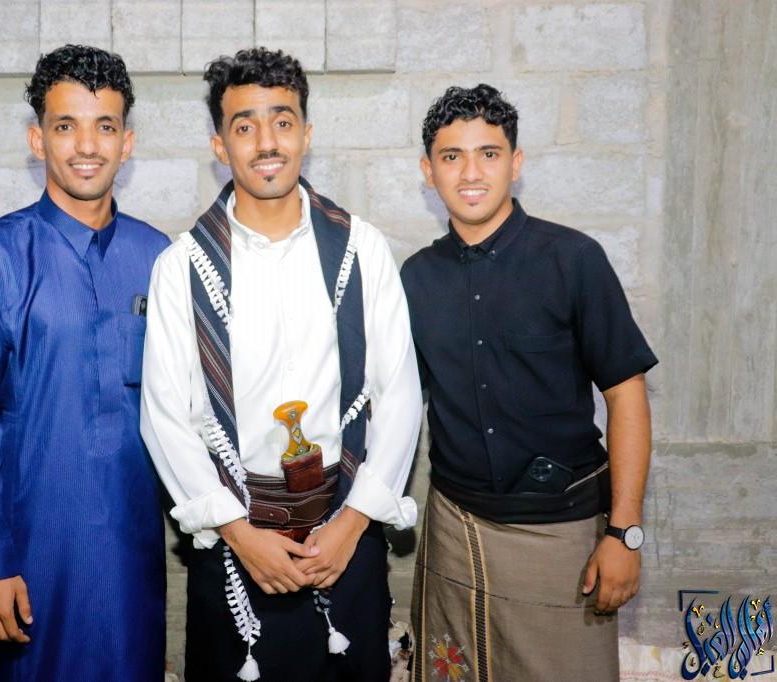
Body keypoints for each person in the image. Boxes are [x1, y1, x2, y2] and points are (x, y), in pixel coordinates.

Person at [140, 47, 422, 681]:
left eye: (283, 121)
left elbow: (400, 393)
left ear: (306, 134)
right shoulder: (181, 266)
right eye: (245, 126)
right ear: (220, 145)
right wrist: (239, 534)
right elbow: (164, 417)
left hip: (344, 535)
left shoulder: (361, 248)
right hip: (237, 543)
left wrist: (352, 524)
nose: (266, 142)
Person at [401, 84, 657, 681]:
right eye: (452, 156)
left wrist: (625, 534)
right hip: (457, 529)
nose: (471, 173)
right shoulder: (415, 278)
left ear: (515, 164)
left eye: (488, 154)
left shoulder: (574, 259)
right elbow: (394, 403)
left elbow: (627, 397)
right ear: (428, 171)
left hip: (563, 536)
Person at [0, 45, 169, 681]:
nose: (86, 146)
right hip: (29, 556)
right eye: (66, 126)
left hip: (131, 553)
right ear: (37, 139)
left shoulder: (161, 257)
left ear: (127, 143)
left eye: (105, 127)